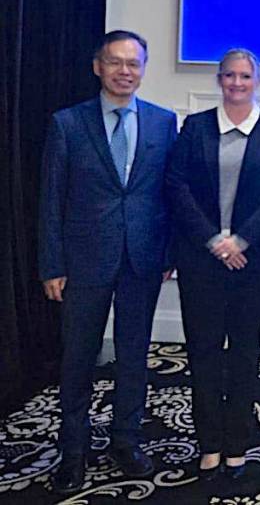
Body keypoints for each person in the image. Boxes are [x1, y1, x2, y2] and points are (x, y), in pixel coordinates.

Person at [38, 30, 178, 494]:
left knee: (135, 354)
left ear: (143, 68)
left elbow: (170, 196)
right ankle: (73, 450)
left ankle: (126, 438)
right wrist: (51, 264)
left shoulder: (163, 122)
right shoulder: (68, 124)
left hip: (143, 257)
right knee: (78, 357)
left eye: (133, 64)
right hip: (82, 262)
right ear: (98, 66)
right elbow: (51, 200)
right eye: (115, 62)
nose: (125, 71)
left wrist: (169, 253)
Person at [165, 48, 260, 481]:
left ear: (257, 80)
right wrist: (214, 240)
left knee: (244, 350)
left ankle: (237, 443)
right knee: (202, 350)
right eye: (229, 76)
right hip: (202, 259)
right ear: (219, 80)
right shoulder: (196, 126)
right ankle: (209, 443)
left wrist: (241, 240)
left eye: (245, 76)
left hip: (253, 261)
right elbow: (176, 185)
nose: (237, 83)